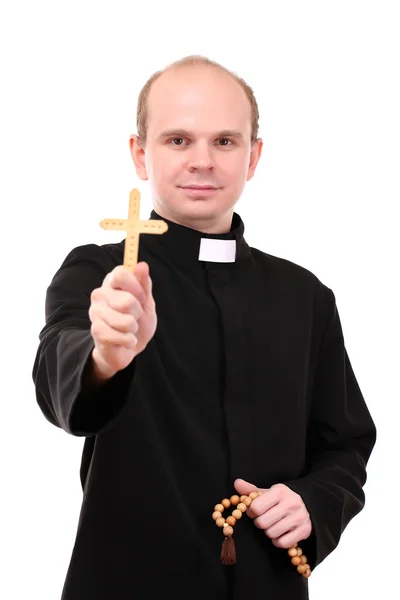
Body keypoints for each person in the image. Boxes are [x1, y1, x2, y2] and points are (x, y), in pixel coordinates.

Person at [32, 55, 376, 600]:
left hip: (267, 585)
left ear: (253, 156)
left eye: (224, 141)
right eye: (177, 140)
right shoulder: (100, 272)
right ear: (140, 154)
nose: (202, 161)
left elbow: (346, 445)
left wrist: (313, 501)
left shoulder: (305, 296)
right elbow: (61, 375)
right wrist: (106, 356)